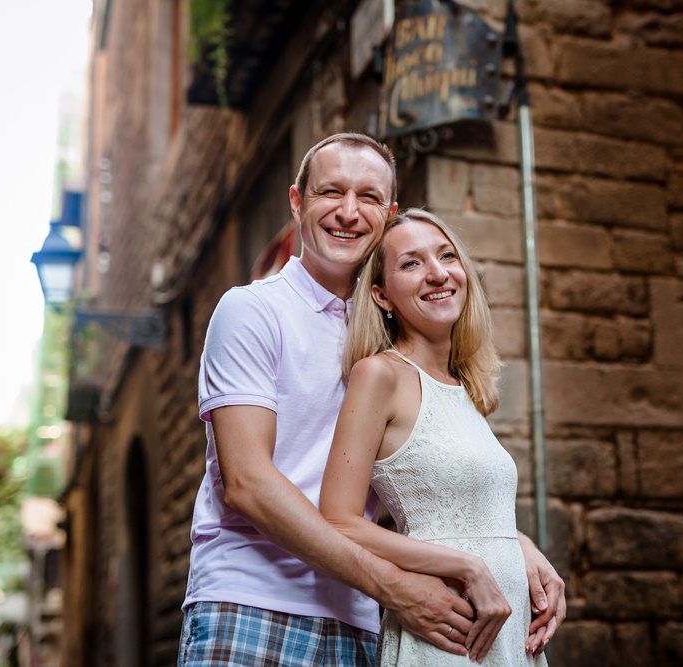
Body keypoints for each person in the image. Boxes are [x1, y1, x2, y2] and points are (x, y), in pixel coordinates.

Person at [179, 134, 564, 666]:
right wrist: (394, 586)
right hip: (255, 602)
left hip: (361, 618)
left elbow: (413, 480)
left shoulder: (394, 342)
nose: (348, 212)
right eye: (330, 192)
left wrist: (505, 540)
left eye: (368, 198)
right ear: (297, 202)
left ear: (389, 214)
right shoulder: (252, 311)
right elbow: (246, 484)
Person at [320, 208, 561, 665]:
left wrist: (520, 547)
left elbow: (470, 510)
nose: (437, 273)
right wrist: (465, 565)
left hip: (509, 632)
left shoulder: (463, 387)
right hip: (449, 633)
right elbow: (338, 519)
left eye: (446, 256)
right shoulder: (380, 375)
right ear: (382, 296)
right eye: (411, 264)